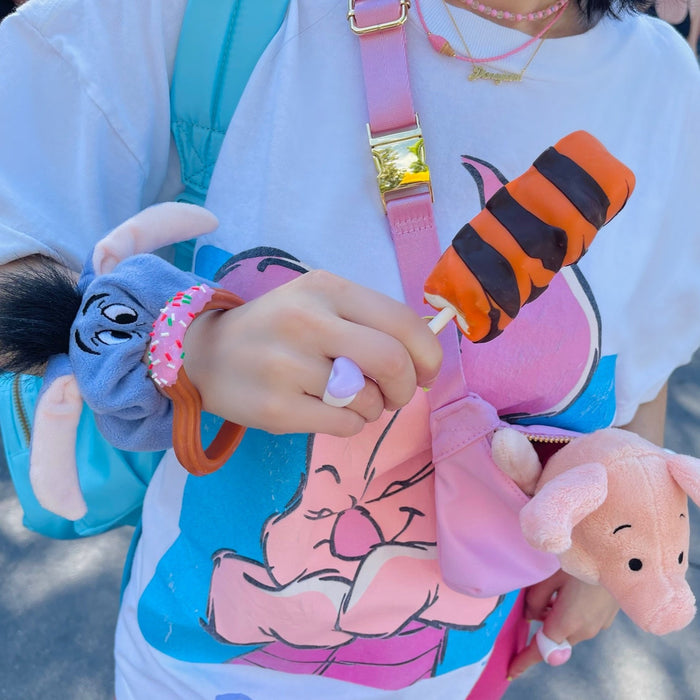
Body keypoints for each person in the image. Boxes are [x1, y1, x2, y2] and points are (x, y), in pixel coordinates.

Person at [0, 0, 699, 698]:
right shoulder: (206, 17)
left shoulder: (664, 84)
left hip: (466, 661)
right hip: (189, 672)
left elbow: (644, 357)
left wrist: (618, 554)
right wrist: (185, 340)